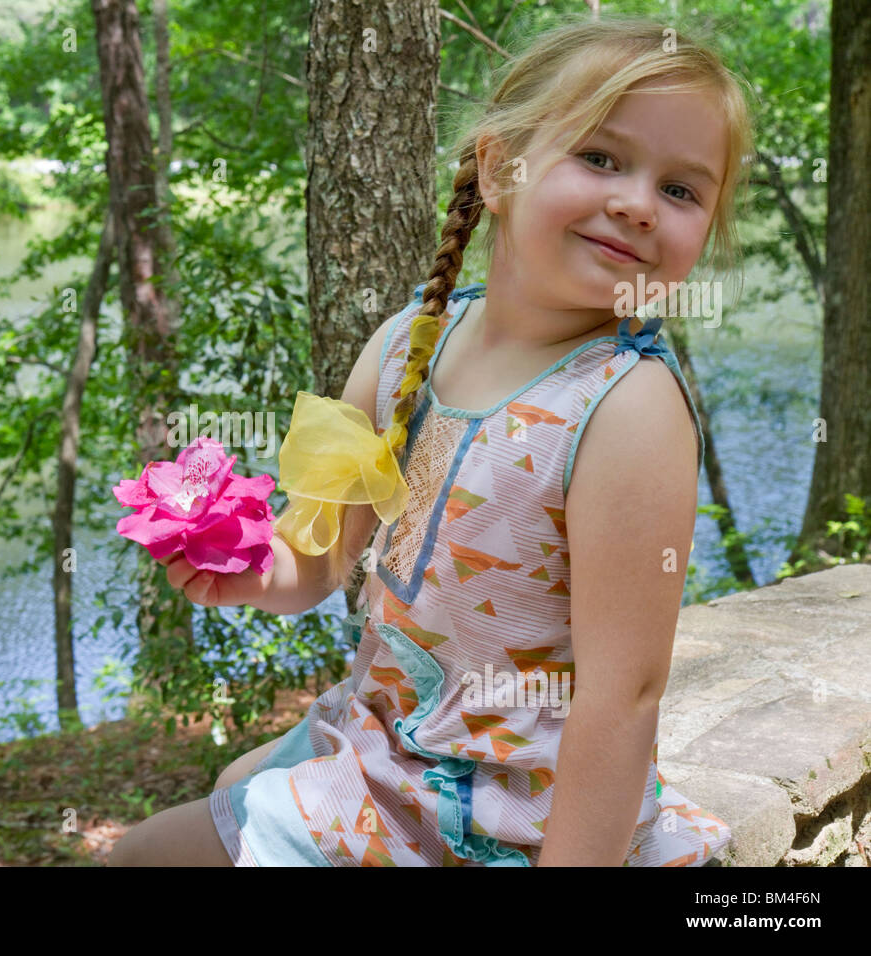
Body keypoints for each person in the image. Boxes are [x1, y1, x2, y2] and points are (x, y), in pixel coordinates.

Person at [107, 14, 754, 867]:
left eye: (681, 190)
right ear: (497, 167)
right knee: (230, 781)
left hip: (504, 798)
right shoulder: (408, 339)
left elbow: (621, 697)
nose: (637, 202)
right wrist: (244, 572)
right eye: (599, 158)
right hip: (387, 737)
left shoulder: (627, 404)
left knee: (142, 858)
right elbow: (318, 561)